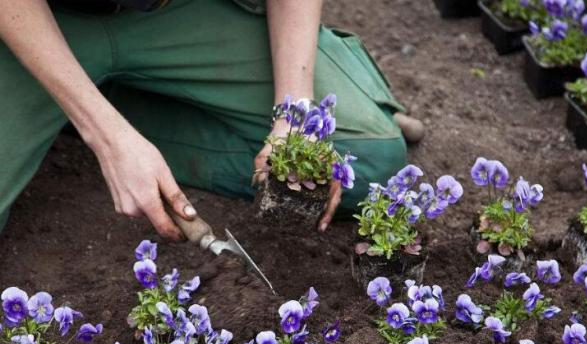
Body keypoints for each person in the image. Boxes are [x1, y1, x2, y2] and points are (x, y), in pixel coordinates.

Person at [0, 0, 423, 239]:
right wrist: (106, 136)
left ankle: (103, 105)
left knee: (361, 163)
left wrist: (294, 114)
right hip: (40, 23)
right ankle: (76, 106)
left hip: (181, 12)